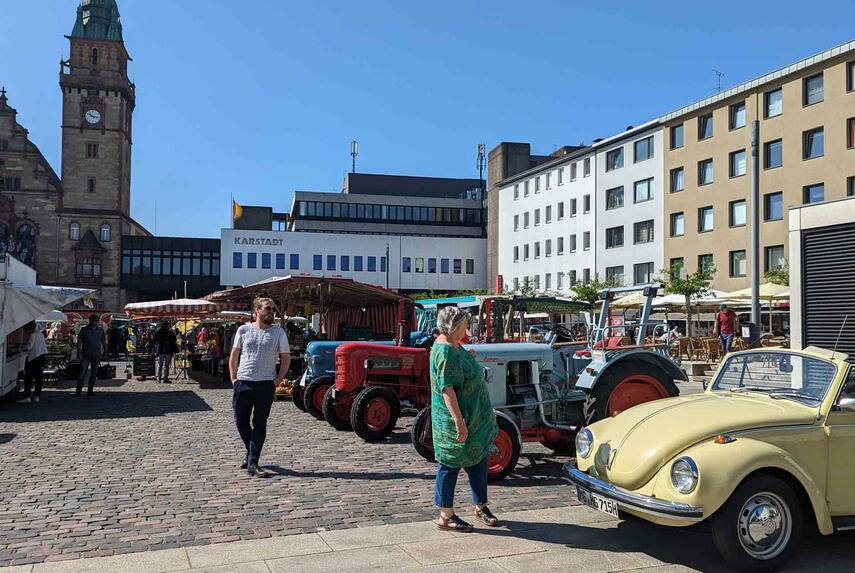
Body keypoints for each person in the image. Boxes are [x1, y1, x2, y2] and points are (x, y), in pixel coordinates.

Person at [430, 306, 499, 533]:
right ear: (454, 327)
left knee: (478, 460)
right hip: (457, 421)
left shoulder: (452, 345)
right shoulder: (446, 351)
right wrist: (459, 422)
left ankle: (480, 505)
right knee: (449, 465)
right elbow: (447, 389)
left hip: (474, 419)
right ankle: (446, 515)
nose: (466, 329)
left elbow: (455, 364)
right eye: (464, 325)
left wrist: (466, 357)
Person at [229, 297, 290, 477]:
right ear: (257, 310)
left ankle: (253, 462)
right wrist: (234, 379)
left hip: (265, 384)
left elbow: (286, 358)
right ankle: (251, 451)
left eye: (272, 309)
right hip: (244, 381)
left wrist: (277, 381)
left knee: (260, 423)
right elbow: (234, 355)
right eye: (268, 308)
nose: (271, 312)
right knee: (241, 421)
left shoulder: (278, 333)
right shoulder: (244, 329)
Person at [76, 315, 106, 397]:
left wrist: (105, 351)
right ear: (90, 321)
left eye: (97, 320)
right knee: (82, 373)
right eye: (94, 320)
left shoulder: (100, 330)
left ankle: (90, 390)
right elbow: (79, 341)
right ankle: (78, 391)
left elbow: (103, 340)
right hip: (86, 354)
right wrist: (79, 351)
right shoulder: (84, 330)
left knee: (94, 373)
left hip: (96, 354)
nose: (96, 322)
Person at [17, 322, 47, 404]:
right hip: (42, 357)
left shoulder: (33, 334)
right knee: (38, 378)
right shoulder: (40, 334)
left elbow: (29, 346)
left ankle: (27, 397)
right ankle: (37, 396)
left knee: (28, 377)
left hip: (34, 357)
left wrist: (21, 347)